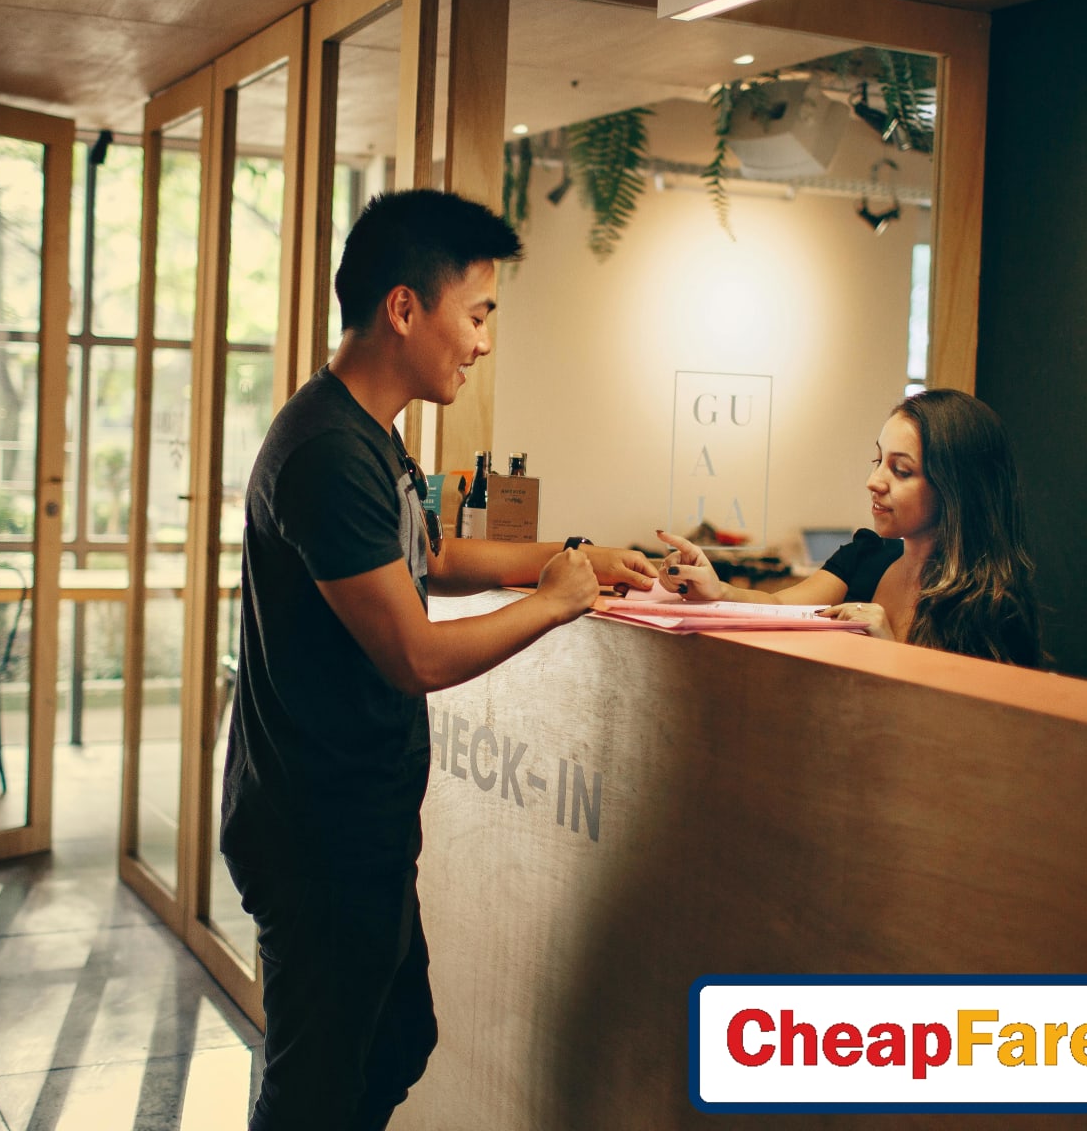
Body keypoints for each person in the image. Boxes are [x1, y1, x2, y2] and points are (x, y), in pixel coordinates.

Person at [220, 188, 658, 1131]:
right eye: (478, 313)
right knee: (315, 1094)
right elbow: (412, 655)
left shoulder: (370, 437)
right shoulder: (327, 453)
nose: (484, 340)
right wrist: (553, 604)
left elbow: (438, 558)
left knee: (394, 1042)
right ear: (405, 308)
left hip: (357, 820)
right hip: (317, 830)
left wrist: (570, 557)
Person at [656, 388, 1043, 667]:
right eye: (877, 461)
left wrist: (890, 650)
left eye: (901, 470)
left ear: (956, 488)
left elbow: (971, 730)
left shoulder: (991, 604)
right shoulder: (867, 555)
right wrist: (716, 589)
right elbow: (778, 607)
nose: (875, 481)